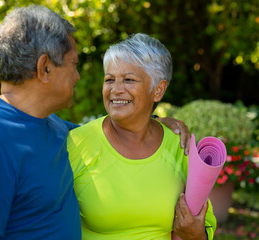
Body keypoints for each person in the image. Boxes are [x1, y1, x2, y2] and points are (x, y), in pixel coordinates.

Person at [0, 5, 191, 240]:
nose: (78, 76)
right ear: (45, 68)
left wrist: (156, 121)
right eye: (73, 64)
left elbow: (119, 133)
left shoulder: (55, 129)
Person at [67, 33, 217, 240]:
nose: (116, 90)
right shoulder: (76, 144)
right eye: (109, 79)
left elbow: (204, 225)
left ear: (158, 90)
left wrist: (197, 234)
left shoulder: (180, 146)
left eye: (129, 80)